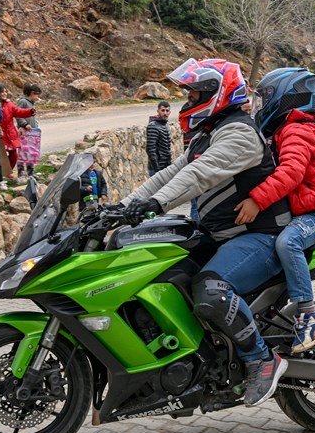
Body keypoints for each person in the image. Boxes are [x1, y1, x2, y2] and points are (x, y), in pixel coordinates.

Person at [121, 58, 292, 406]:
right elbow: (168, 174)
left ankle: (261, 359)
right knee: (160, 273)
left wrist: (156, 204)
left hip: (260, 237)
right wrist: (120, 208)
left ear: (219, 92)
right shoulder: (207, 135)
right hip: (222, 236)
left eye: (195, 93)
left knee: (211, 289)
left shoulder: (240, 133)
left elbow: (199, 175)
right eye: (190, 94)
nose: (189, 100)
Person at [235, 67, 315, 353]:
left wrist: (257, 200)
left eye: (264, 99)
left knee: (288, 242)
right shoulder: (285, 129)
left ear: (285, 98)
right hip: (301, 211)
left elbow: (291, 173)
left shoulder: (297, 129)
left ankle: (309, 313)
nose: (259, 106)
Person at [0, 83, 35, 189]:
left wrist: (29, 112)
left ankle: (7, 172)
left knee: (14, 154)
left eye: (5, 91)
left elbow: (19, 111)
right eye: (2, 92)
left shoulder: (9, 104)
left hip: (10, 134)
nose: (4, 93)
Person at [15, 84, 43, 180]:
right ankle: (21, 172)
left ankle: (30, 172)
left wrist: (35, 124)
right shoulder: (23, 102)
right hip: (24, 131)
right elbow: (18, 115)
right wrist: (25, 124)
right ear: (32, 93)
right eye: (37, 95)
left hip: (32, 131)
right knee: (22, 152)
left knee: (31, 152)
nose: (38, 98)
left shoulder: (32, 103)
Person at [146, 101, 173, 176]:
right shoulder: (153, 126)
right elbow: (150, 149)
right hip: (156, 168)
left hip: (165, 167)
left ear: (169, 112)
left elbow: (167, 149)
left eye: (167, 111)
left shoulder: (166, 125)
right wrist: (157, 169)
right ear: (158, 111)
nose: (165, 113)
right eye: (162, 110)